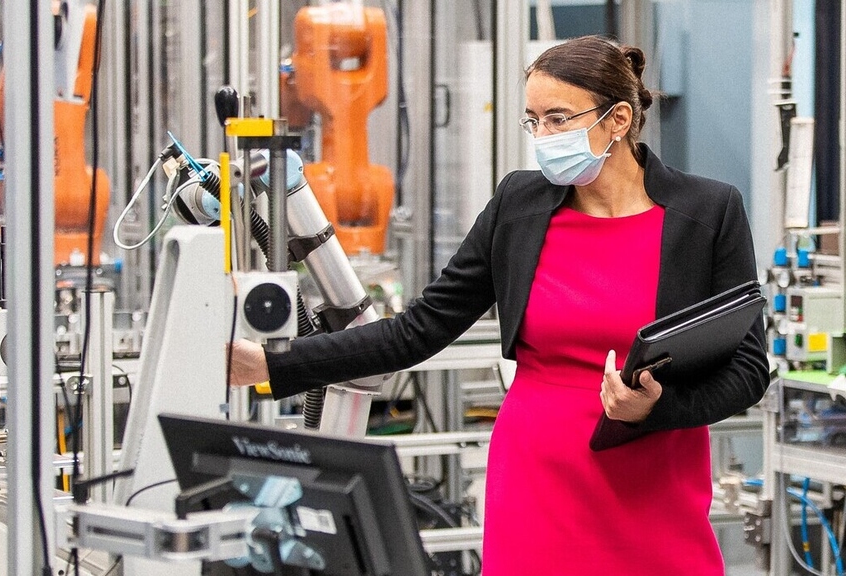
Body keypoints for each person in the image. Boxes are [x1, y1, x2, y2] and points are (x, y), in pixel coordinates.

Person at [229, 35, 769, 575]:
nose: (543, 136)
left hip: (656, 482)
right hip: (537, 479)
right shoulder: (519, 204)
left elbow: (748, 370)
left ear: (619, 119)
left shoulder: (707, 212)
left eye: (558, 119)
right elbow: (417, 330)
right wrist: (273, 365)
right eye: (532, 120)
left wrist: (655, 409)